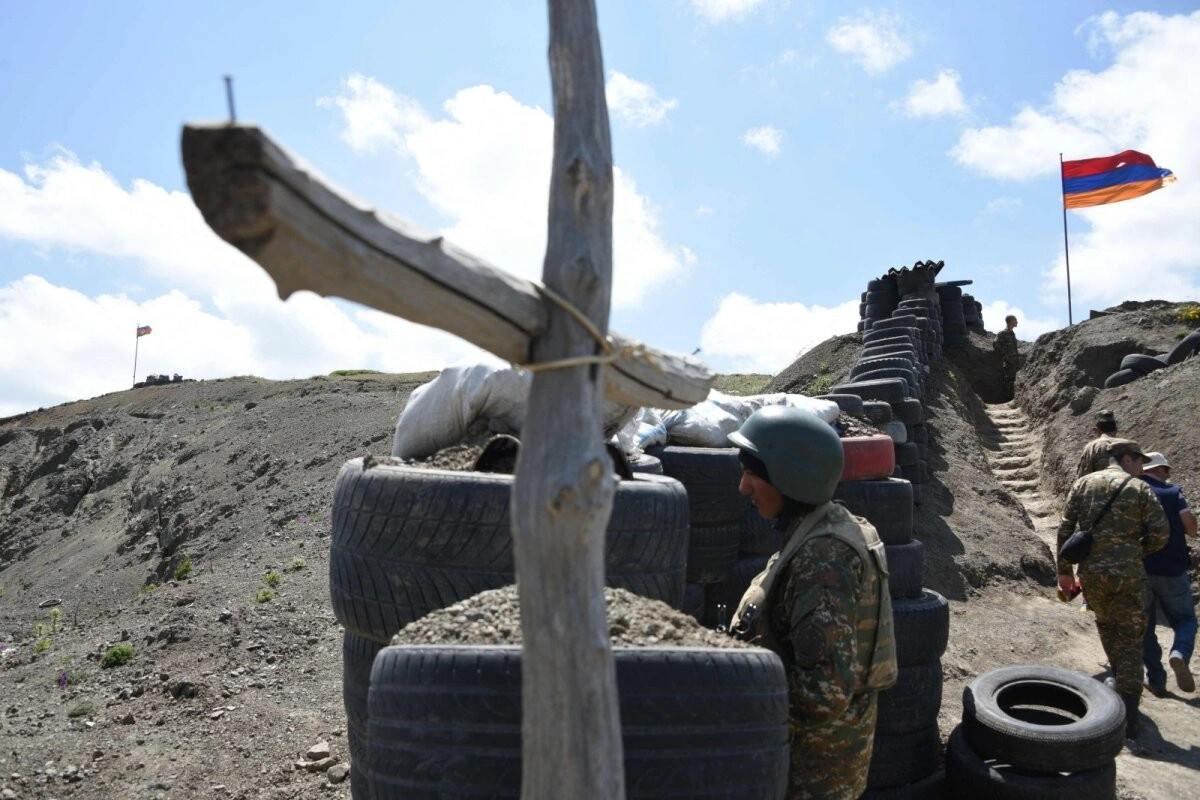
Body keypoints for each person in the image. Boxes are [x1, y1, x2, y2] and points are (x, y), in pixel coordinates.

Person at [727, 406, 897, 800]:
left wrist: (734, 699)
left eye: (752, 473)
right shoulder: (820, 528)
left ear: (790, 478)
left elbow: (823, 693)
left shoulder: (823, 560)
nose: (743, 487)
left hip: (811, 771)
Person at [1056, 439, 1169, 739]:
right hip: (1129, 575)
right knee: (1131, 640)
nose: (1142, 467)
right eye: (1140, 462)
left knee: (1107, 626)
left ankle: (1119, 684)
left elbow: (1065, 530)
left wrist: (1065, 573)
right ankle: (1128, 719)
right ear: (1127, 459)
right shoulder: (1139, 488)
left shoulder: (1083, 484)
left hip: (1092, 575)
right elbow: (1161, 533)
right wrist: (1135, 552)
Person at [1139, 451, 1197, 695]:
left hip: (1141, 568)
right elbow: (1191, 529)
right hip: (1173, 568)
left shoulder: (1132, 492)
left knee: (1146, 627)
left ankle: (1156, 681)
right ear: (1160, 470)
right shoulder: (1173, 492)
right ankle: (1179, 653)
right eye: (1166, 470)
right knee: (1186, 619)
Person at [1077, 409, 1119, 478]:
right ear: (1116, 429)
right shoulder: (1132, 445)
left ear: (1096, 430)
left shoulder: (1092, 448)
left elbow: (1083, 477)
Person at [993, 314, 1020, 398]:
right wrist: (1005, 355)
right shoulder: (1003, 333)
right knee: (1008, 380)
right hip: (1008, 362)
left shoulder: (1012, 334)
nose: (1017, 322)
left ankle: (1013, 398)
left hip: (1014, 362)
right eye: (1015, 320)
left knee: (1013, 380)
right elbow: (996, 343)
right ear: (1011, 321)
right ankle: (1007, 398)